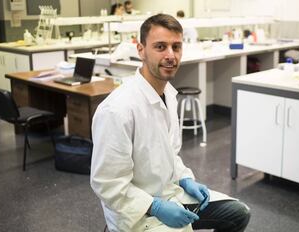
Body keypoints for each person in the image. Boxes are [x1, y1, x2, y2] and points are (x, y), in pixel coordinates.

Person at [90, 13, 250, 232]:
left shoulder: (168, 96)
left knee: (238, 213)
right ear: (141, 50)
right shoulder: (117, 109)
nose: (170, 55)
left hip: (171, 194)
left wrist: (185, 178)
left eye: (176, 47)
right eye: (160, 47)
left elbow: (168, 155)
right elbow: (107, 183)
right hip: (137, 213)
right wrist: (154, 206)